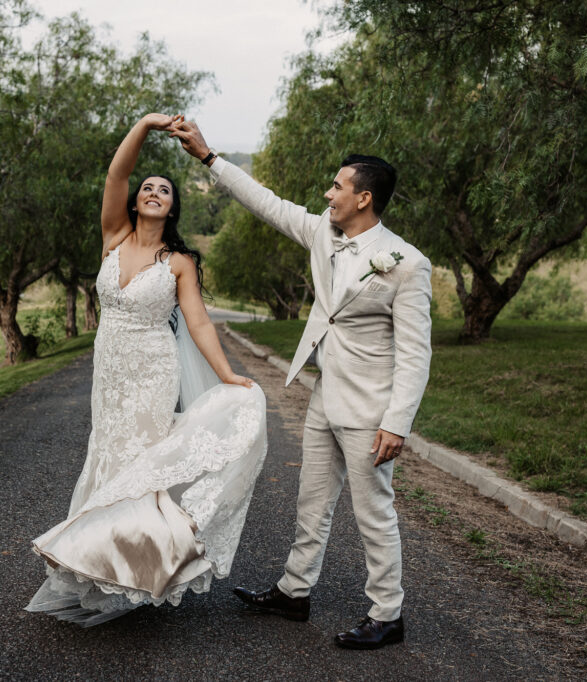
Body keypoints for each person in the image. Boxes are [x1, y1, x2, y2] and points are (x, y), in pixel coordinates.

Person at [170, 120, 432, 650]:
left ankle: (388, 614)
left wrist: (396, 423)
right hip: (323, 399)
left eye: (337, 187)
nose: (327, 194)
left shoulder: (407, 264)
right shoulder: (322, 233)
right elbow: (265, 202)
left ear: (363, 197)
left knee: (373, 512)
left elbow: (416, 353)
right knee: (311, 503)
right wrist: (208, 158)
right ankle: (294, 592)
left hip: (370, 412)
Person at [25, 114, 268, 626]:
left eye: (165, 189)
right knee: (108, 454)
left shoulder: (179, 261)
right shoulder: (113, 236)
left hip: (153, 373)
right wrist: (144, 125)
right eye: (148, 188)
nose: (154, 192)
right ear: (135, 201)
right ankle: (100, 565)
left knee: (141, 465)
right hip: (109, 369)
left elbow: (198, 322)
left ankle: (139, 564)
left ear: (173, 205)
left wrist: (226, 374)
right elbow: (116, 174)